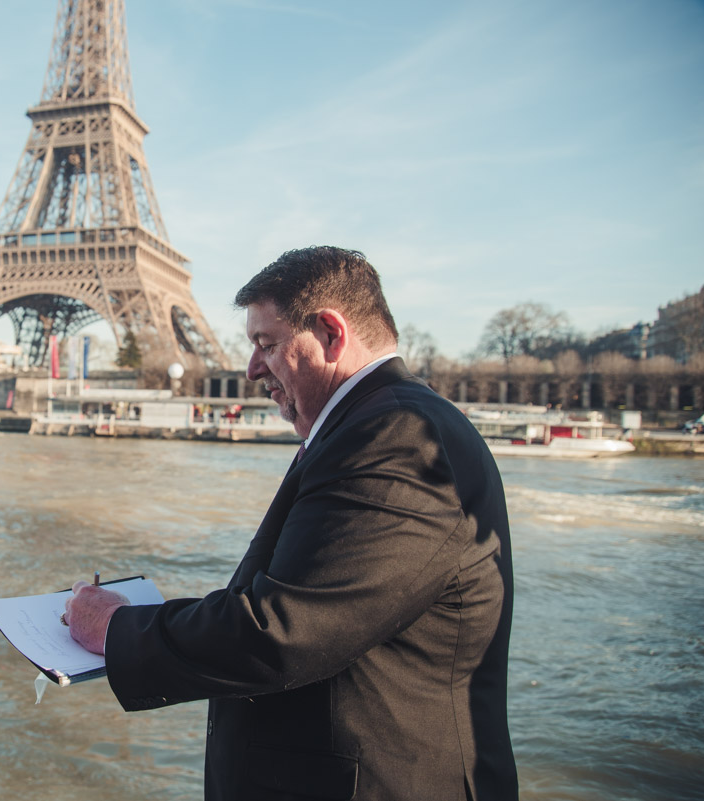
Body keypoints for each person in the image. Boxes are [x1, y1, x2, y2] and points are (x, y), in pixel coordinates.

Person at [65, 246, 517, 800]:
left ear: (330, 333)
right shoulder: (370, 424)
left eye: (267, 344)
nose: (253, 368)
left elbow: (284, 628)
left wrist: (114, 628)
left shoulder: (395, 435)